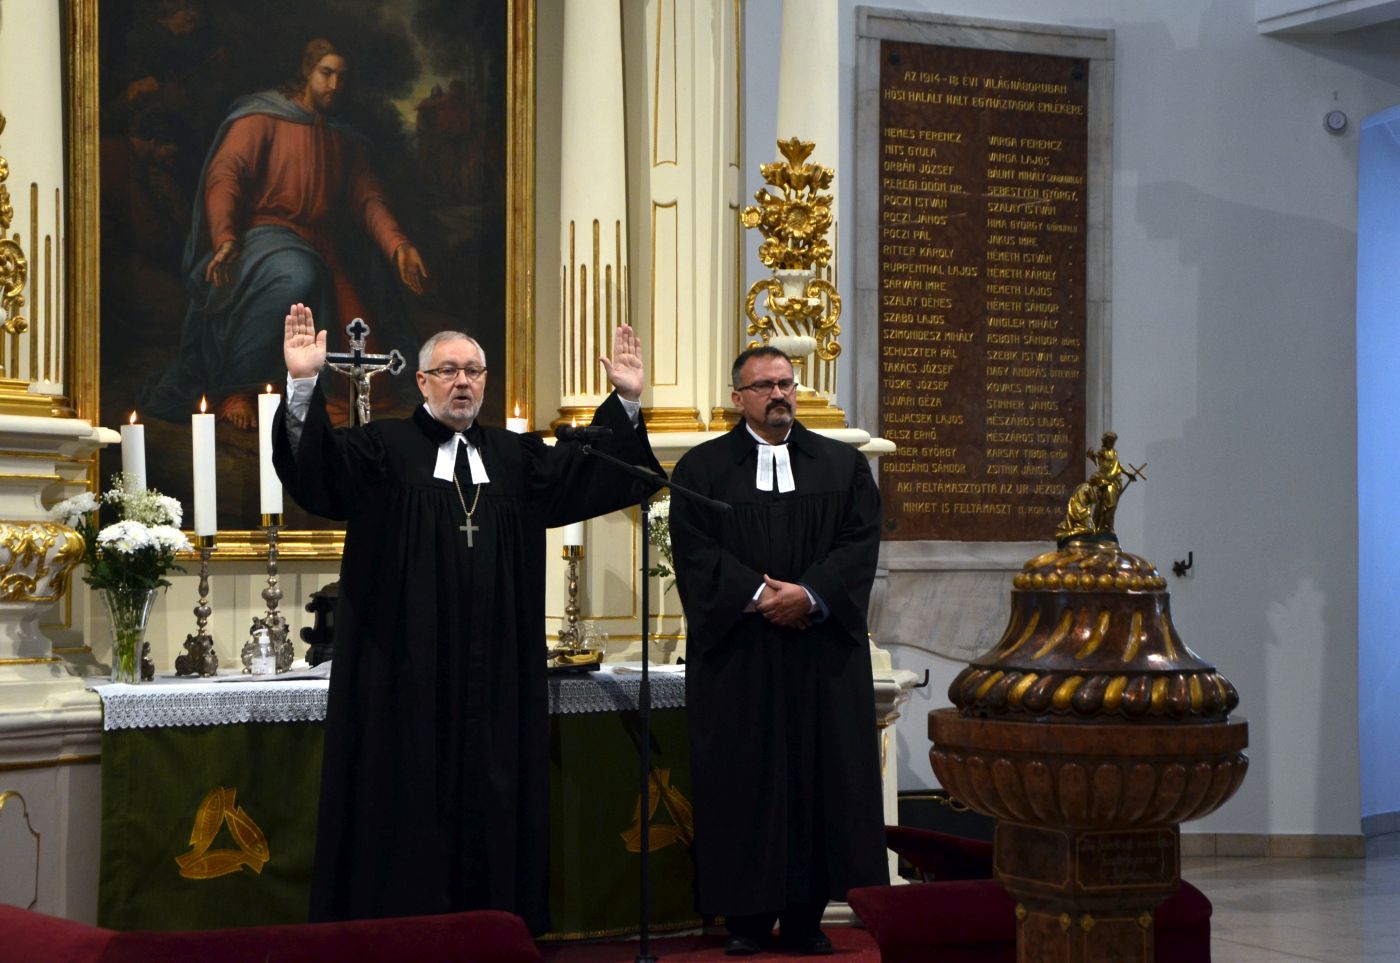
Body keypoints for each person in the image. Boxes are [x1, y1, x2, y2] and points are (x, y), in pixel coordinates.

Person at [272, 302, 662, 931]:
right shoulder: (382, 448)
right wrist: (302, 383)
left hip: (496, 675)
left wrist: (625, 403)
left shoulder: (513, 456)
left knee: (493, 792)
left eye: (474, 372)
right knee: (405, 792)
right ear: (422, 382)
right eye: (448, 371)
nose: (463, 383)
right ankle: (400, 931)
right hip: (403, 674)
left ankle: (492, 928)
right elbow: (314, 470)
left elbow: (591, 474)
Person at [668, 346, 888, 956]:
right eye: (764, 386)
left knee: (821, 780)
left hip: (820, 654)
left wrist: (810, 595)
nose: (779, 394)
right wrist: (761, 595)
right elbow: (694, 550)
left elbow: (860, 544)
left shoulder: (841, 466)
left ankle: (804, 920)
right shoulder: (703, 469)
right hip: (741, 658)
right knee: (743, 781)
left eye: (786, 383)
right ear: (737, 398)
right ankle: (744, 920)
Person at [142, 38, 427, 429]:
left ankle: (298, 397)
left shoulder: (343, 138)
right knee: (297, 276)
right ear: (307, 71)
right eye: (326, 73)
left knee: (363, 358)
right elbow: (226, 175)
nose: (334, 85)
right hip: (264, 236)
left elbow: (368, 199)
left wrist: (399, 245)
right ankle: (239, 389)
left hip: (320, 245)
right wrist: (225, 237)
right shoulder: (261, 118)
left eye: (342, 77)